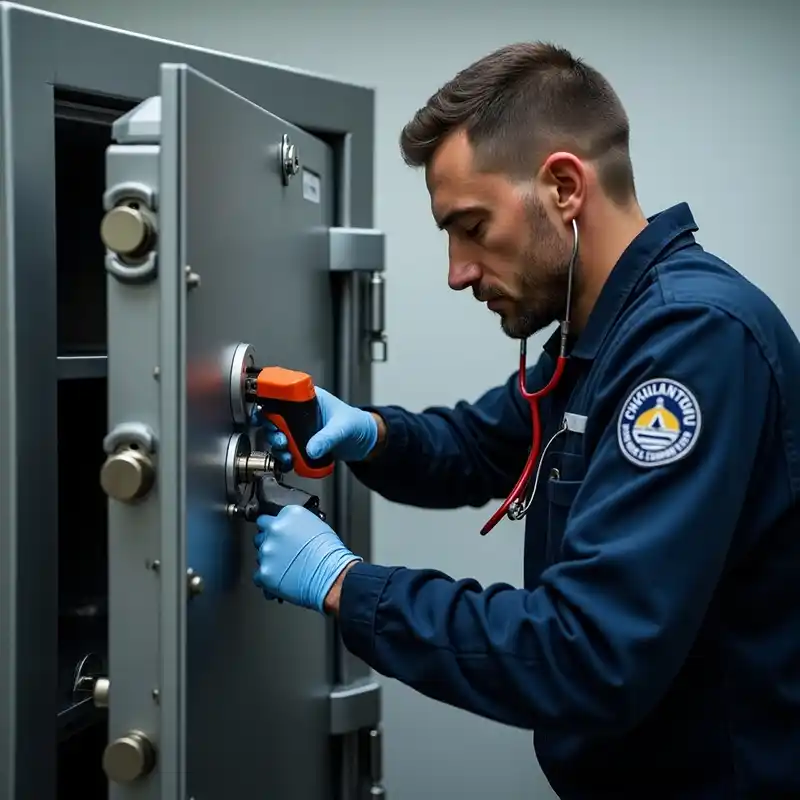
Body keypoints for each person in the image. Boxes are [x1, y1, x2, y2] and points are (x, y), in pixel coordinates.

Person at [253, 42, 800, 799]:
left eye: (471, 227)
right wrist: (368, 432)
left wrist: (347, 584)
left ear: (564, 187)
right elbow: (480, 446)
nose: (457, 271)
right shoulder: (601, 335)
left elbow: (591, 654)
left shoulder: (691, 343)